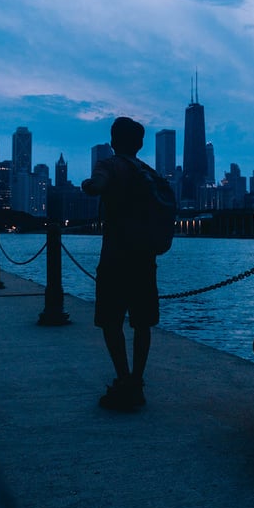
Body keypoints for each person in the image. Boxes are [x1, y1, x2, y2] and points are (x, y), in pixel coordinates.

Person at [82, 117, 159, 411]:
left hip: (115, 258)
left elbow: (97, 186)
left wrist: (89, 184)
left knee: (111, 321)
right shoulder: (147, 171)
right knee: (142, 323)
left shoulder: (109, 165)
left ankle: (124, 378)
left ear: (114, 141)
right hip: (145, 258)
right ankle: (137, 381)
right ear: (139, 144)